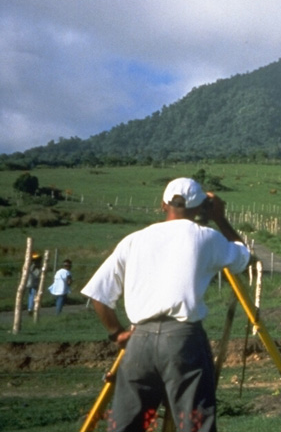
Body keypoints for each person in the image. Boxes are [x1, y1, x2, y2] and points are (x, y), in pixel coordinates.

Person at [81, 178, 251, 432]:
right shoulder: (206, 237)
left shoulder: (134, 240)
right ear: (200, 207)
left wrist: (117, 334)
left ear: (163, 204)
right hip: (183, 340)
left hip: (140, 339)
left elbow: (99, 296)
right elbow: (242, 258)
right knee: (193, 424)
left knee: (128, 423)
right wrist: (219, 217)